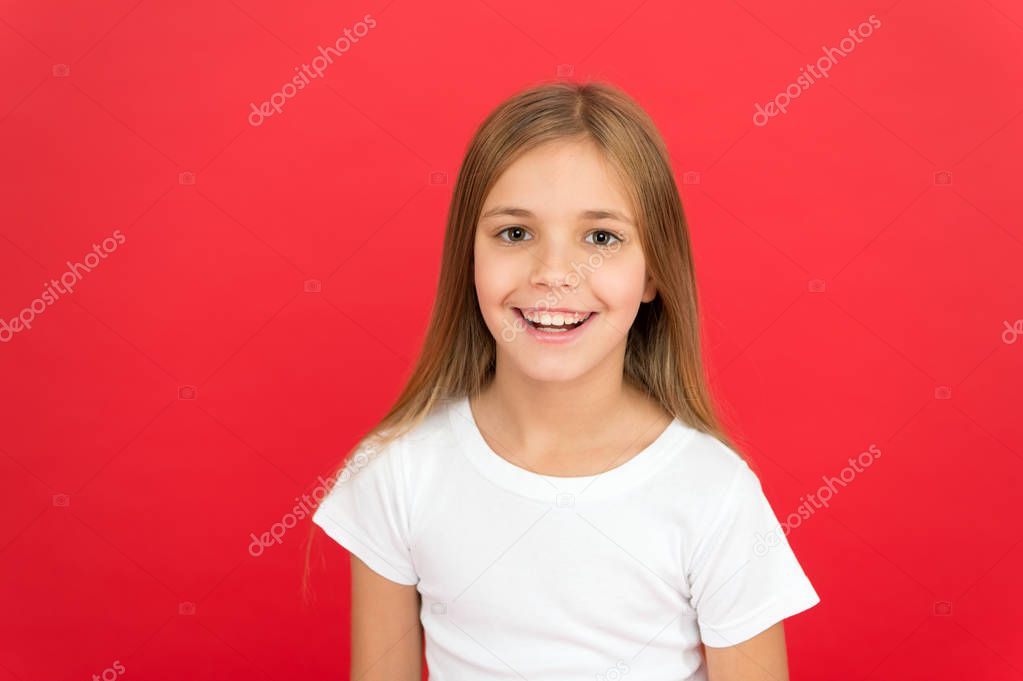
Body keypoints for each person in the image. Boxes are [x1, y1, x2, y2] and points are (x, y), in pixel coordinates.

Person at [307, 80, 820, 680]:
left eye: (601, 238)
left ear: (653, 272)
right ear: (467, 257)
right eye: (515, 233)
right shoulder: (397, 471)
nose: (554, 272)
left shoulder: (714, 493)